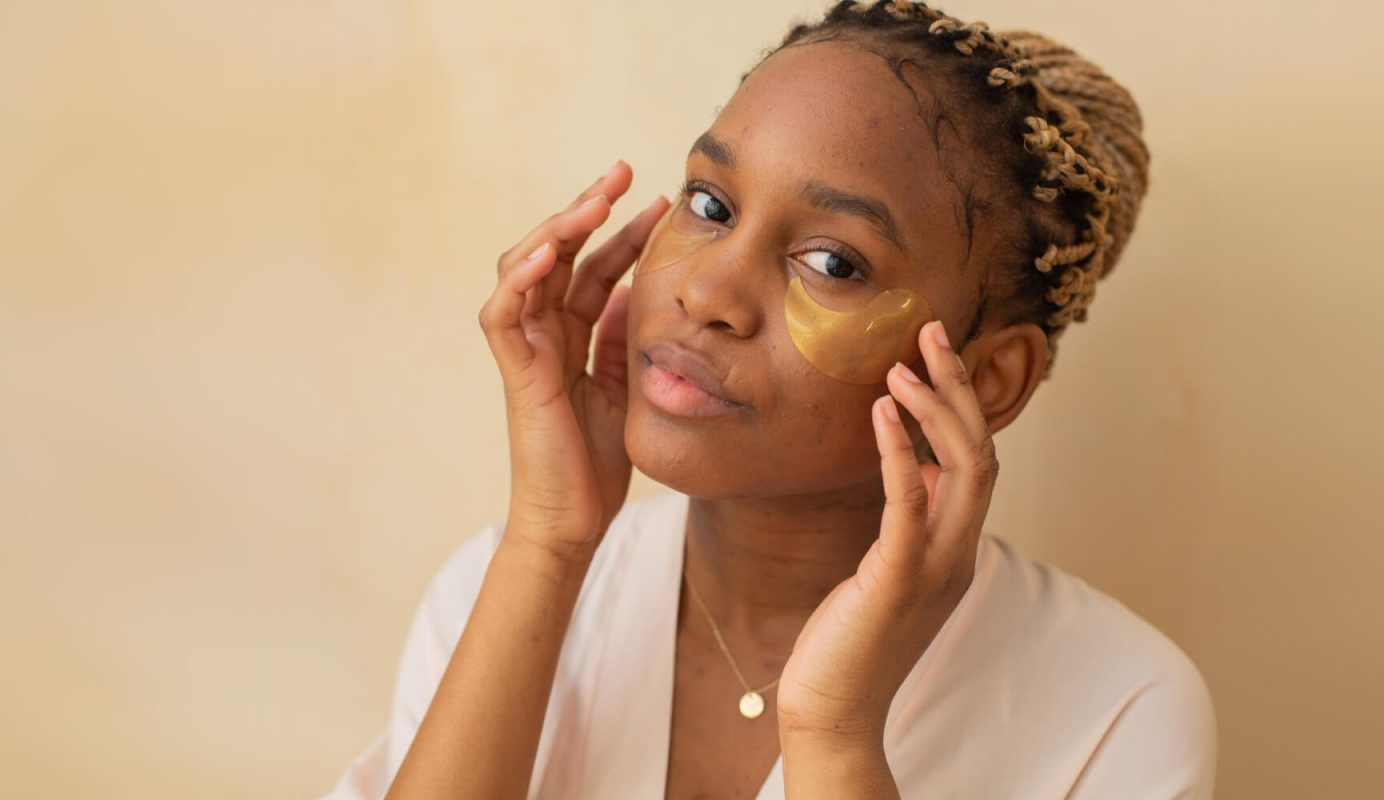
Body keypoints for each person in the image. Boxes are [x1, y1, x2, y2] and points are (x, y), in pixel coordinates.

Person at [324, 1, 1215, 797]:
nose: (706, 291)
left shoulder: (1116, 707)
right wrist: (547, 544)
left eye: (833, 263)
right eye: (711, 204)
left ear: (986, 379)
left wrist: (834, 732)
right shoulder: (499, 586)